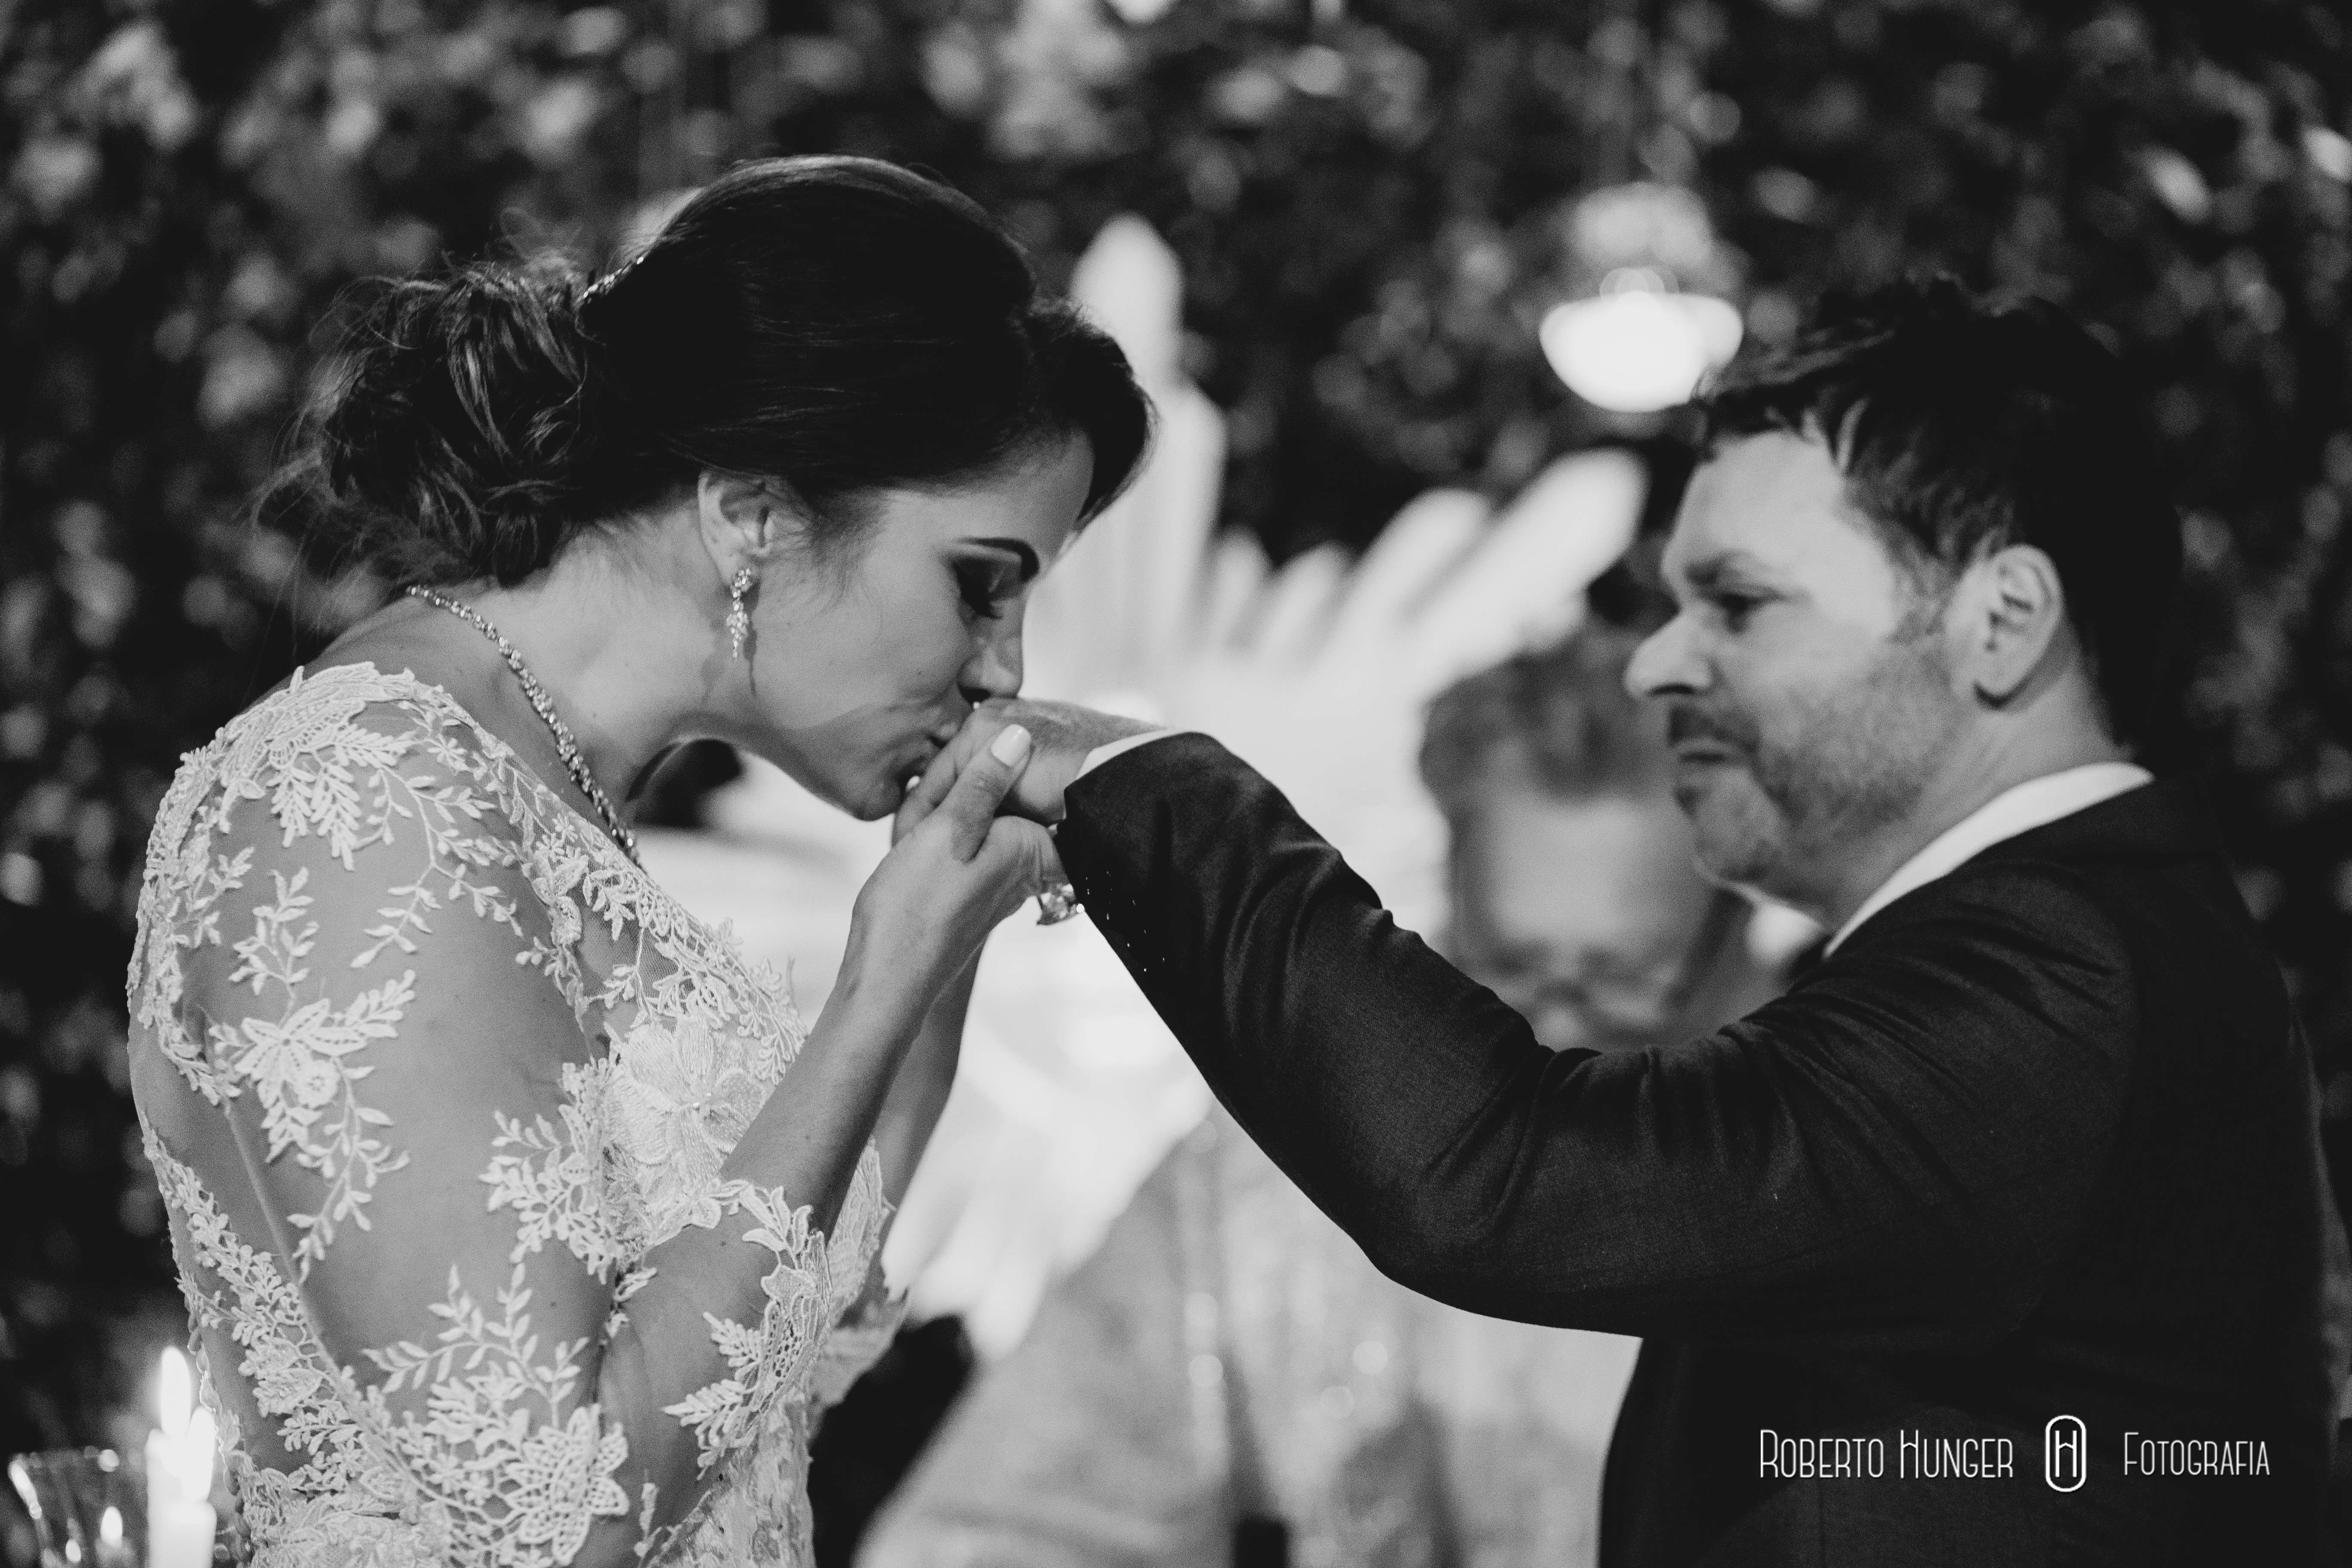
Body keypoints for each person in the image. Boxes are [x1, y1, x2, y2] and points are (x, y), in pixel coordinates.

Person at [905, 279, 2352, 1565]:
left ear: (2001, 620)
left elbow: (1509, 1177)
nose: (1662, 657)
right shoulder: (2073, 942)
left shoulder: (2061, 972)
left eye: (1735, 600)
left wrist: (1126, 771)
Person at [125, 156, 1147, 1568]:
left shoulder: (543, 790)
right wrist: (880, 970)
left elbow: (781, 1352)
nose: (1004, 672)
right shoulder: (359, 799)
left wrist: (943, 933)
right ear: (753, 514)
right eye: (979, 581)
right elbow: (562, 1518)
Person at [858, 627, 1795, 1568]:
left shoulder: (1851, 1158)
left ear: (1744, 927)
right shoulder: (1273, 1166)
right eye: (1508, 968)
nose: (1557, 1034)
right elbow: (996, 1530)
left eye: (1622, 984)